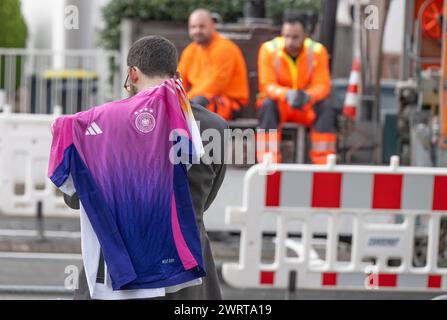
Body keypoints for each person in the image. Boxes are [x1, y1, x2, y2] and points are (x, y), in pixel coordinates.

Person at [61, 35, 229, 300]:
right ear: (176, 74)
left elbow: (74, 198)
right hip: (188, 272)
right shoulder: (215, 127)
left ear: (132, 73)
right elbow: (206, 198)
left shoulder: (100, 125)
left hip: (120, 269)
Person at [256, 14, 336, 164]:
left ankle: (324, 163)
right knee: (266, 105)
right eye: (286, 36)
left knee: (325, 107)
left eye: (295, 37)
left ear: (305, 35)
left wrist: (307, 96)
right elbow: (266, 85)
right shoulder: (268, 50)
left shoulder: (318, 51)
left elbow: (323, 86)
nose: (290, 41)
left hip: (306, 106)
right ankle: (268, 161)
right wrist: (287, 94)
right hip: (281, 105)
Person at [178, 8, 249, 121]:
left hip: (229, 103)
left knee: (196, 105)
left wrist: (186, 100)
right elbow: (179, 80)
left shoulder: (225, 48)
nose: (197, 31)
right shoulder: (190, 51)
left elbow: (215, 85)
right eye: (193, 27)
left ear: (212, 26)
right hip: (199, 98)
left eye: (202, 26)